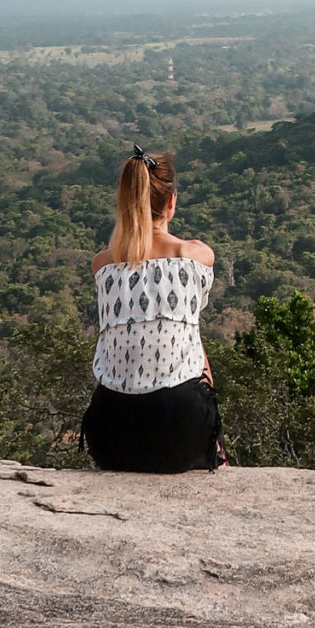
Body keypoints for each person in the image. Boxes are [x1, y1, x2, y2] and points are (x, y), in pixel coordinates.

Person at [80, 145, 225, 472]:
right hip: (179, 430)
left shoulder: (102, 264)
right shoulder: (197, 257)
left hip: (110, 435)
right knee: (192, 337)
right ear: (171, 203)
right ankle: (218, 449)